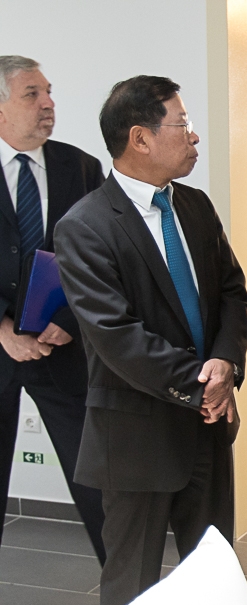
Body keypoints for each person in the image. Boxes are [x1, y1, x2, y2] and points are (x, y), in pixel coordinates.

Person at [54, 75, 247, 605]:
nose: (194, 136)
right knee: (131, 595)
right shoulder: (85, 226)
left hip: (207, 429)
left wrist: (226, 362)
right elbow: (117, 337)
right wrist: (204, 386)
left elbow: (232, 292)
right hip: (135, 439)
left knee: (214, 585)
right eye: (182, 124)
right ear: (140, 138)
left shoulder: (195, 206)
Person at [0, 55, 105, 562]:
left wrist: (68, 321)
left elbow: (103, 257)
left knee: (97, 483)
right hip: (1, 345)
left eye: (48, 92)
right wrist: (3, 330)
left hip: (62, 351)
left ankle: (128, 589)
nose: (48, 103)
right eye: (32, 94)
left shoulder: (80, 167)